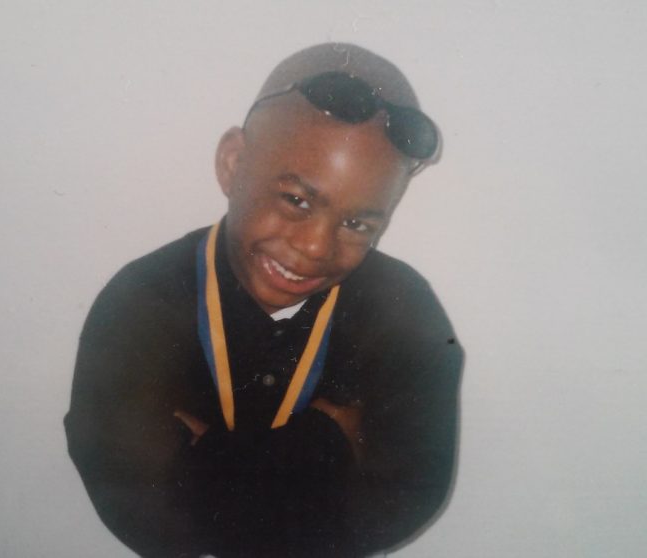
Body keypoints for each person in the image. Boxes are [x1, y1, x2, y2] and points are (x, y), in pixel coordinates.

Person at [65, 43, 464, 558]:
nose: (315, 248)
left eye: (358, 223)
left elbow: (407, 501)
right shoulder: (141, 304)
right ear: (233, 164)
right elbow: (145, 517)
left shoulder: (405, 312)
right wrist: (326, 439)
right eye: (296, 200)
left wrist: (208, 460)